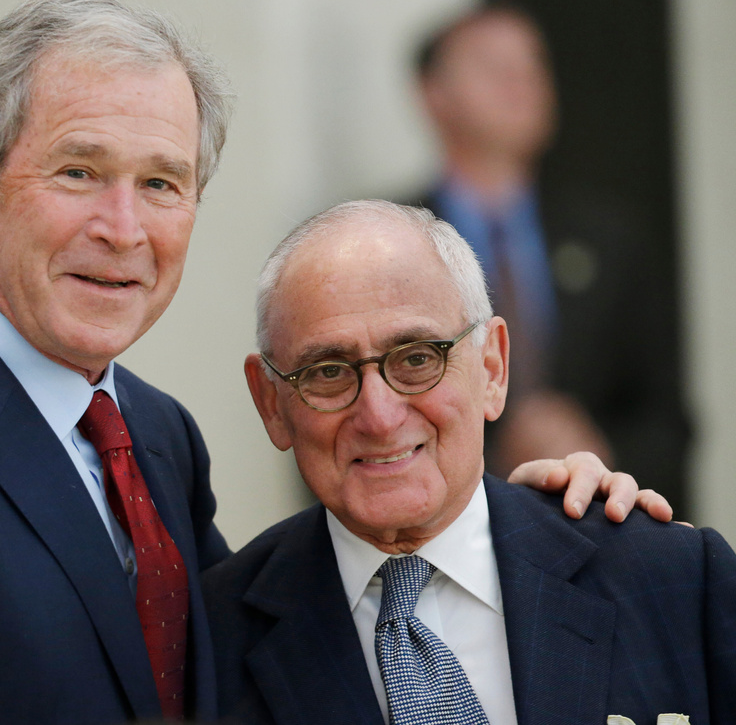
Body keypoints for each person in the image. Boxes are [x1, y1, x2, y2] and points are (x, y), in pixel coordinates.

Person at [0, 0, 669, 725]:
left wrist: (526, 529)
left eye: (162, 182)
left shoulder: (156, 436)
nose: (123, 229)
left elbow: (284, 639)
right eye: (79, 171)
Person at [203, 200, 736, 724]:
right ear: (271, 404)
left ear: (492, 368)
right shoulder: (207, 639)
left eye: (417, 359)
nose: (380, 416)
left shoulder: (673, 579)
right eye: (328, 372)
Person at [407, 5, 690, 501]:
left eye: (534, 64)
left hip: (593, 523)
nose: (522, 80)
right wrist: (489, 452)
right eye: (494, 66)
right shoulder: (392, 243)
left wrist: (595, 449)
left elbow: (669, 420)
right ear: (433, 95)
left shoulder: (610, 239)